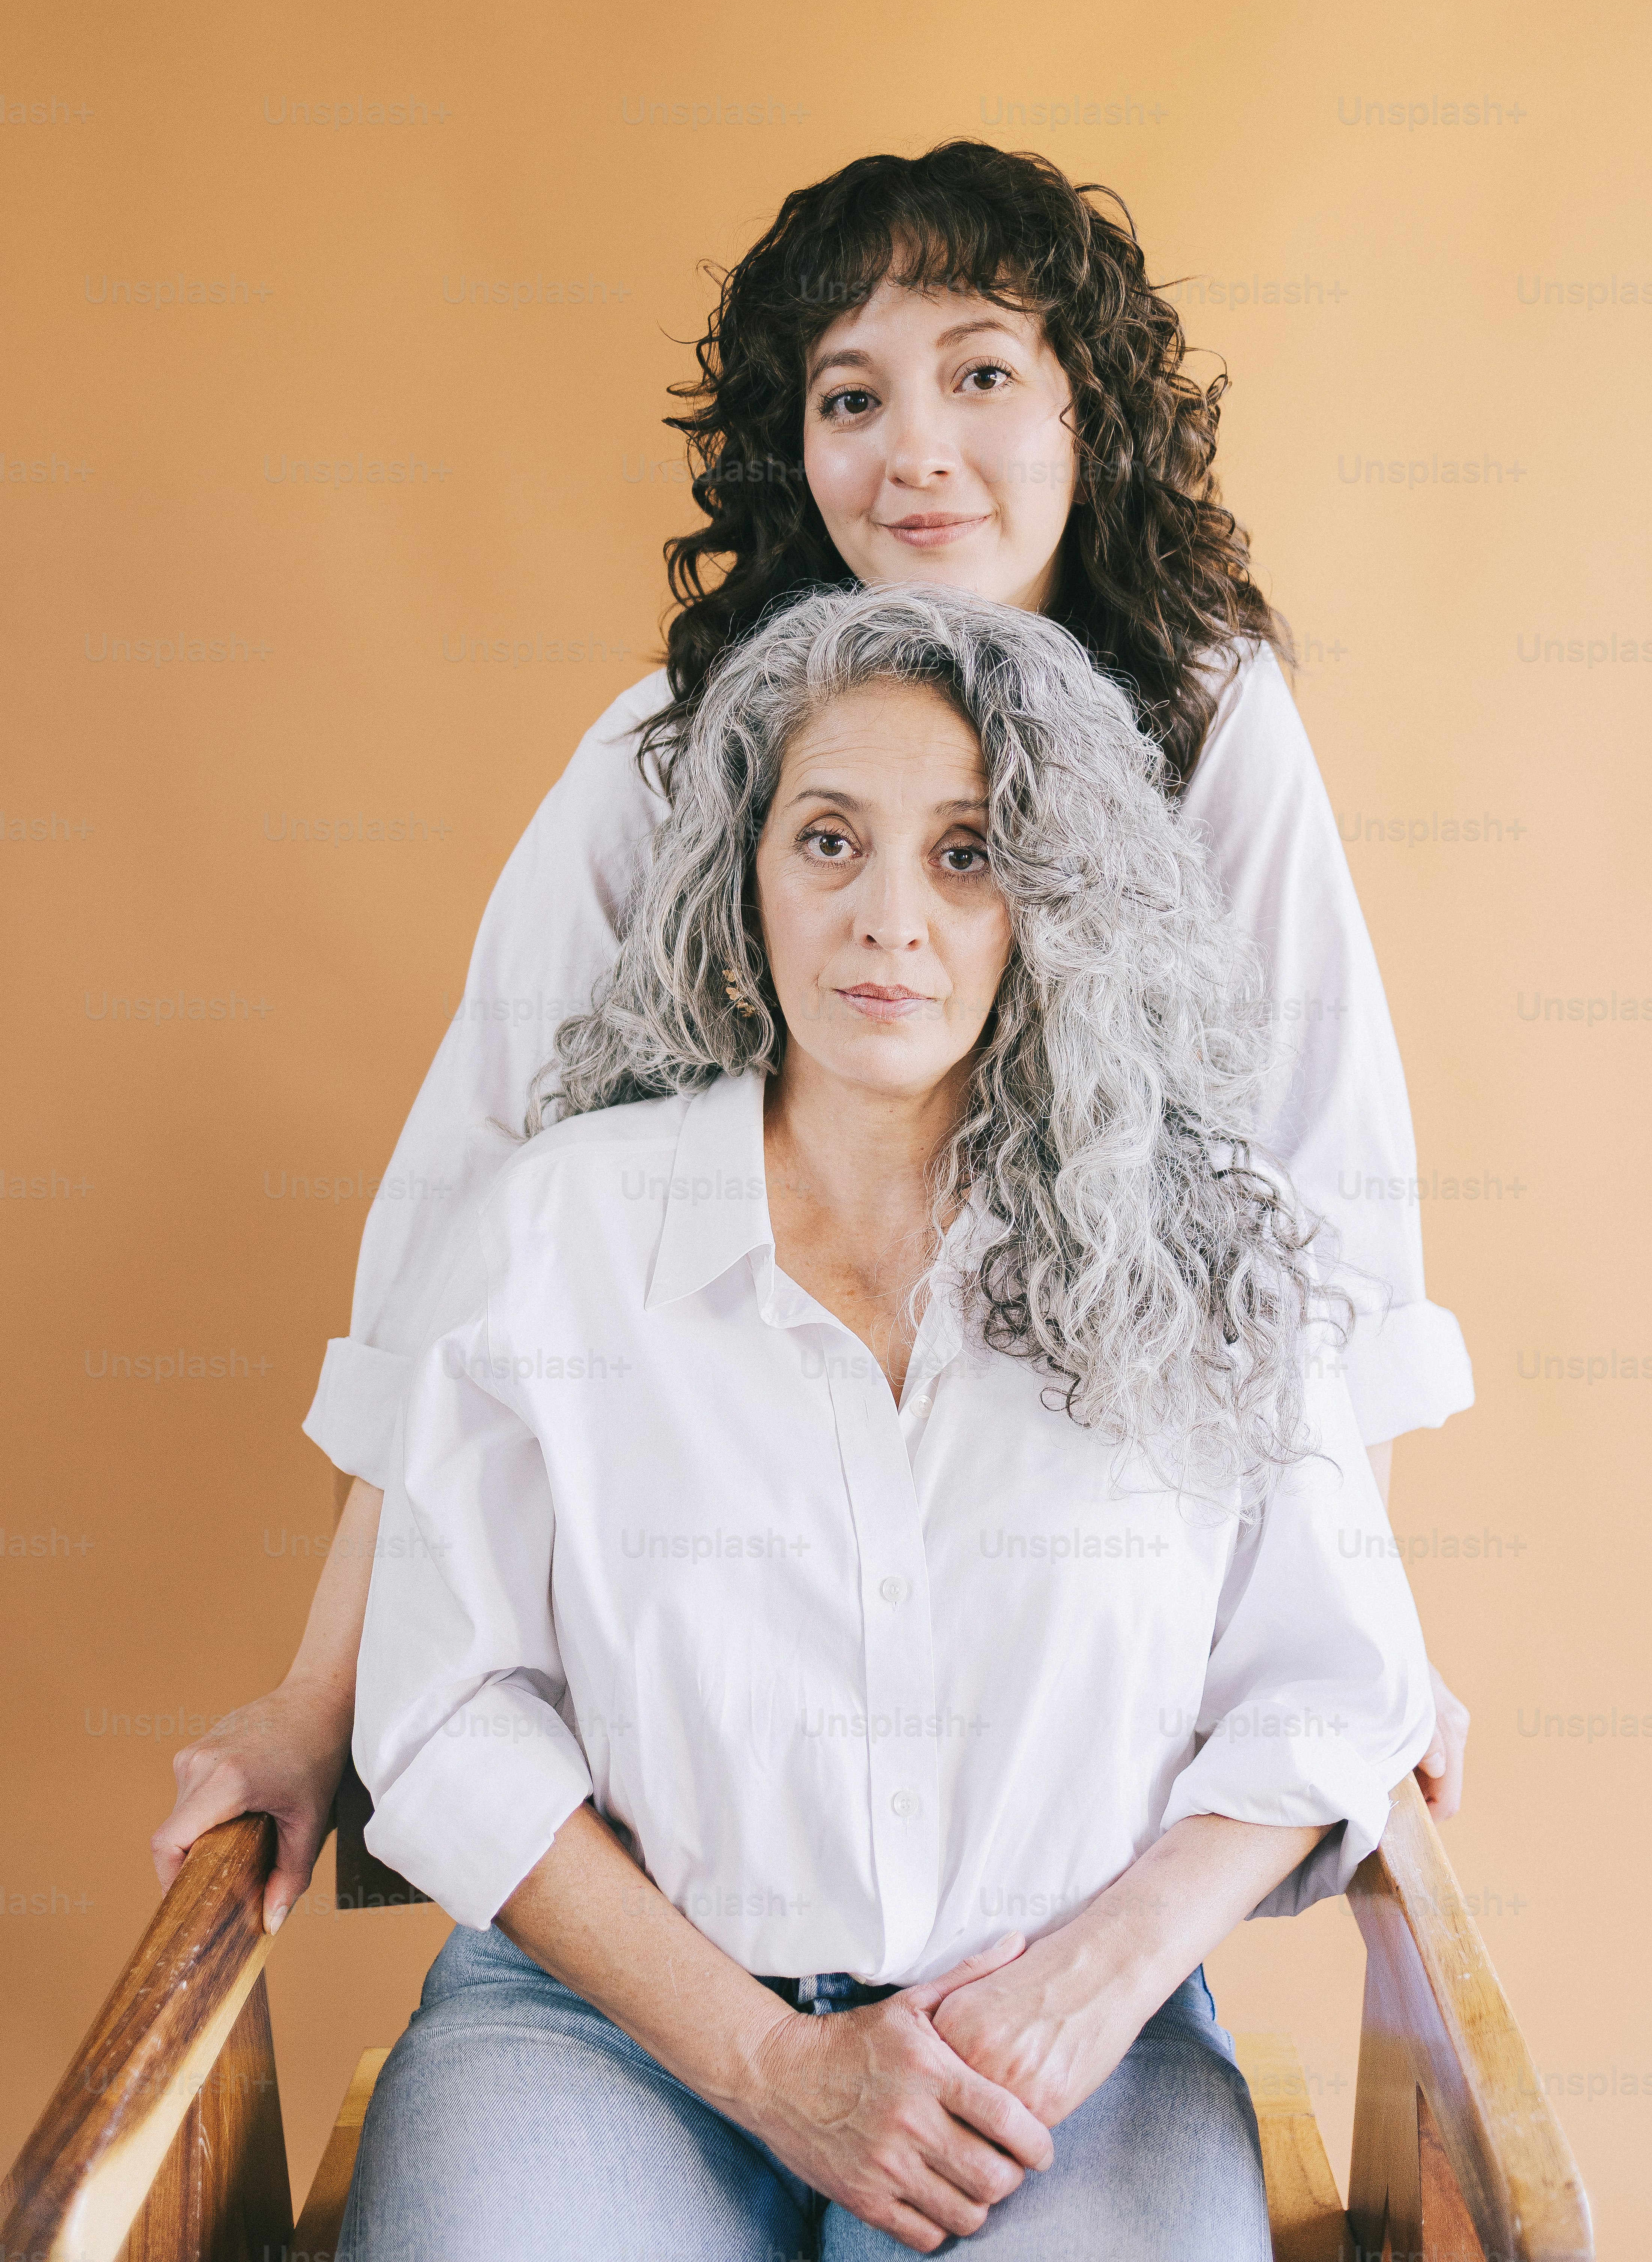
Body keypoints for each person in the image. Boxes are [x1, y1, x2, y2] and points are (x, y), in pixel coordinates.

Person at [151, 140, 1472, 1941]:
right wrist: (321, 1696)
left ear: (1093, 416)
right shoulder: (681, 739)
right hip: (714, 1507)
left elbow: (1317, 1190)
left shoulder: (1209, 716)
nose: (915, 449)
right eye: (851, 397)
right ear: (797, 451)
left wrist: (1359, 1631)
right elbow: (463, 1216)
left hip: (1053, 1503)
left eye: (981, 374)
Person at [335, 584, 1434, 2258]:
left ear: (1053, 901)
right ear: (740, 874)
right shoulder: (556, 1238)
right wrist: (770, 2062)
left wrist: (1091, 1987)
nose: (887, 920)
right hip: (601, 2030)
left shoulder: (1207, 1243)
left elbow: (1337, 1688)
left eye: (968, 853)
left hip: (1064, 2049)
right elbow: (439, 1719)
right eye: (827, 840)